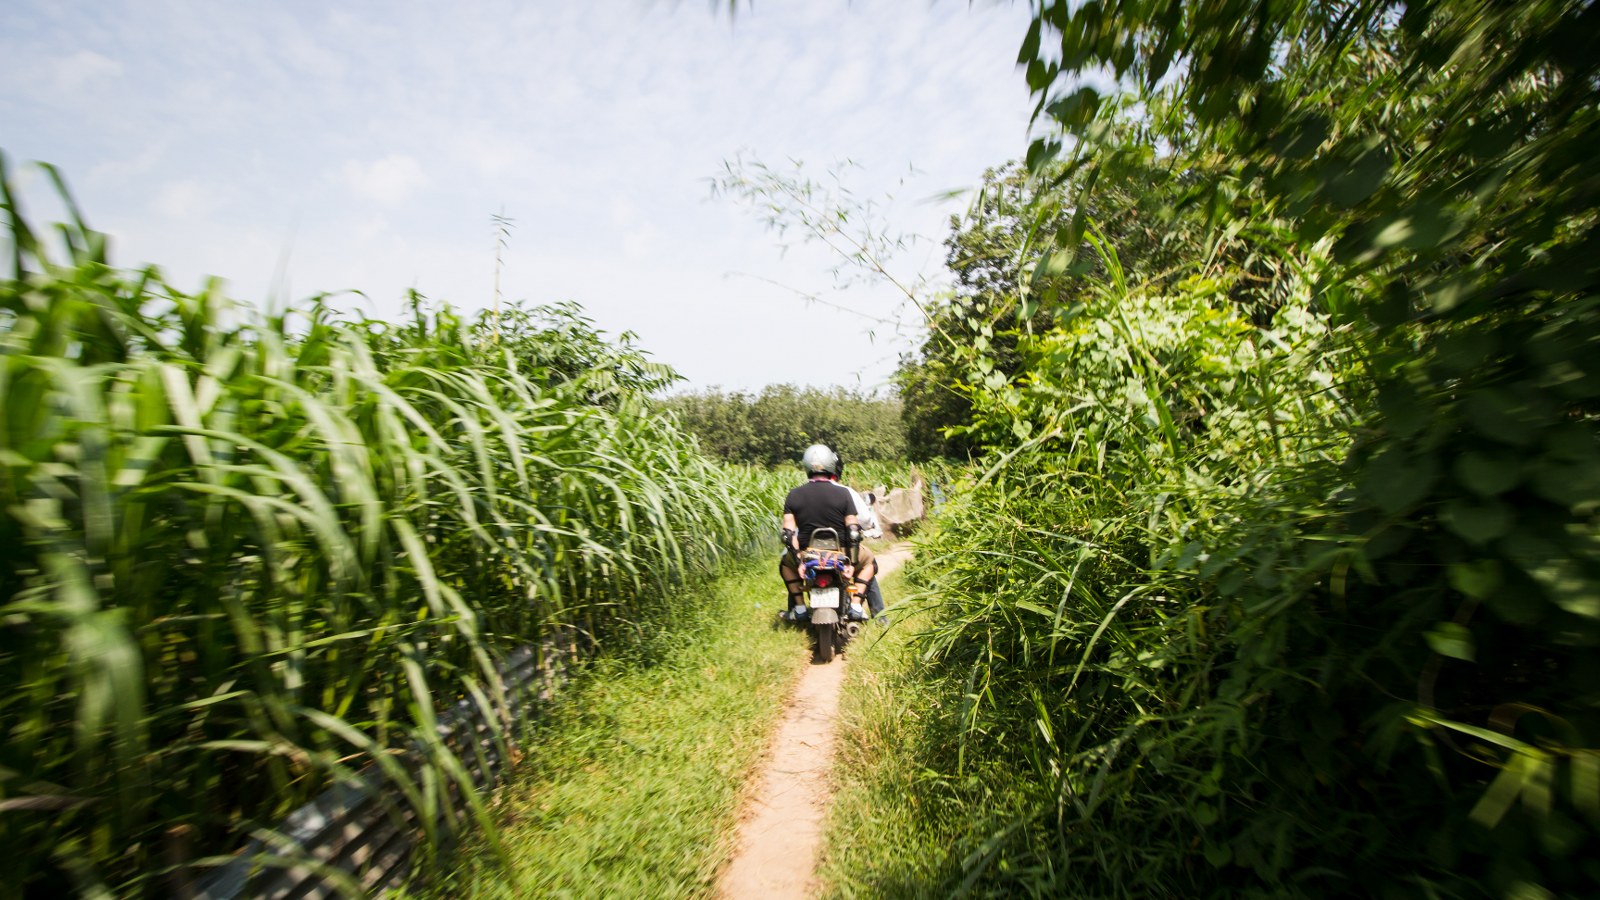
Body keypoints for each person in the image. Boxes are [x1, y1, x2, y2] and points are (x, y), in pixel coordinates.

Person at [779, 444, 877, 617]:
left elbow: (787, 535)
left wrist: (799, 561)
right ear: (831, 465)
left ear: (807, 466)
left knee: (785, 565)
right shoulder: (844, 494)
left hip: (808, 554)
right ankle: (856, 606)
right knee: (869, 562)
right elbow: (853, 531)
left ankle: (800, 609)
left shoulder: (794, 495)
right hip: (841, 553)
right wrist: (851, 564)